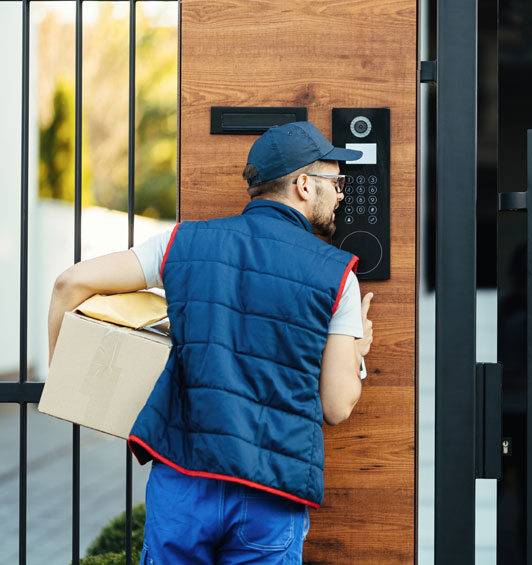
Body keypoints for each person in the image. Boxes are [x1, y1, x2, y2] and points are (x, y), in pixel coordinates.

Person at [47, 121, 374, 564]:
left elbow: (70, 284)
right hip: (271, 491)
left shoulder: (181, 243)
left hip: (184, 478)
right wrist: (356, 353)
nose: (340, 194)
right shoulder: (338, 276)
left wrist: (65, 384)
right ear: (302, 185)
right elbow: (336, 406)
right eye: (335, 182)